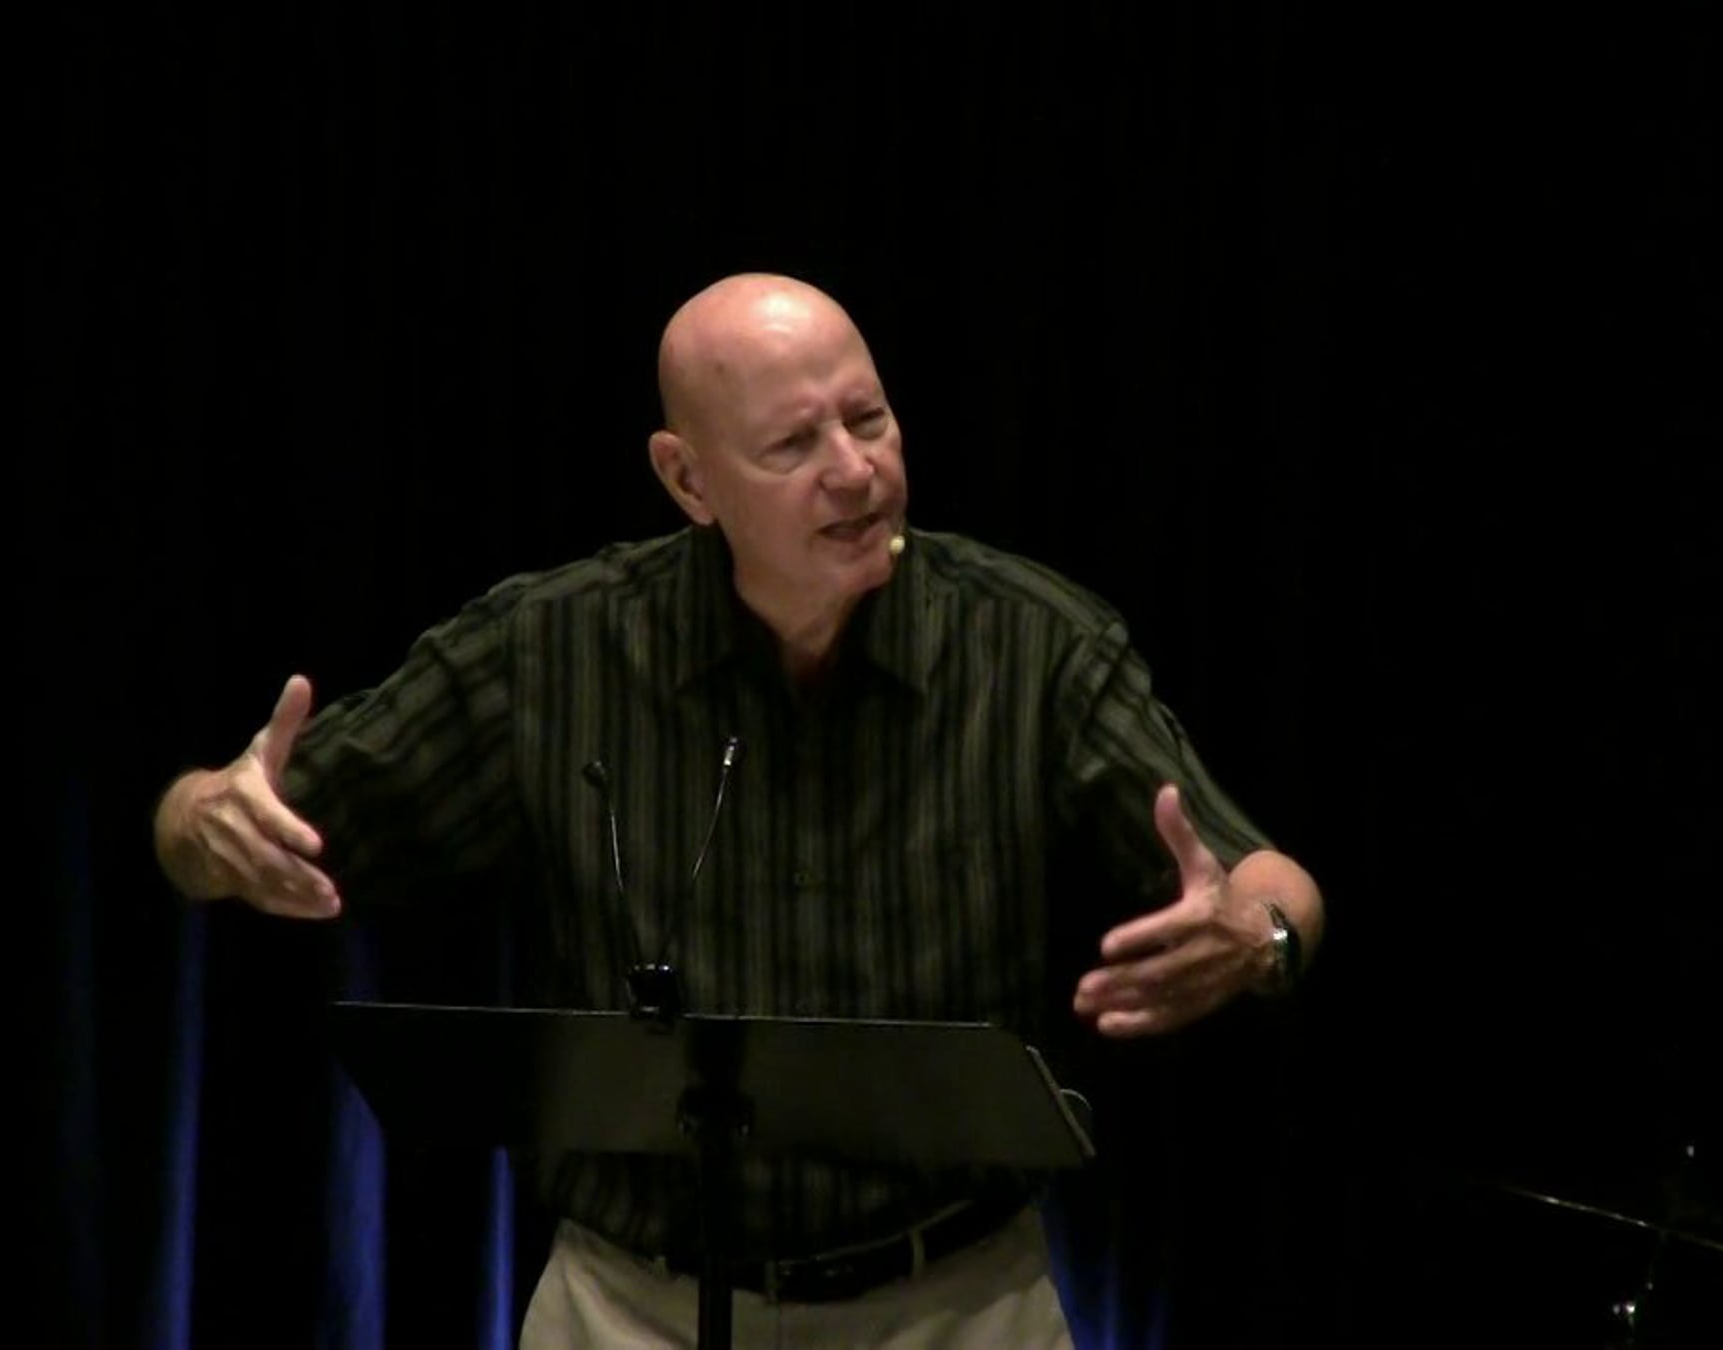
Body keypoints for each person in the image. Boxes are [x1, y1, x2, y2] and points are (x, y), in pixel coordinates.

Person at [151, 272, 1325, 1348]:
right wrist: (205, 821)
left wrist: (1260, 937)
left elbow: (1270, 883)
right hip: (628, 1306)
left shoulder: (1030, 645)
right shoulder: (554, 650)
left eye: (869, 419)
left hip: (957, 1303)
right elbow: (213, 827)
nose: (855, 470)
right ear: (688, 480)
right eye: (793, 444)